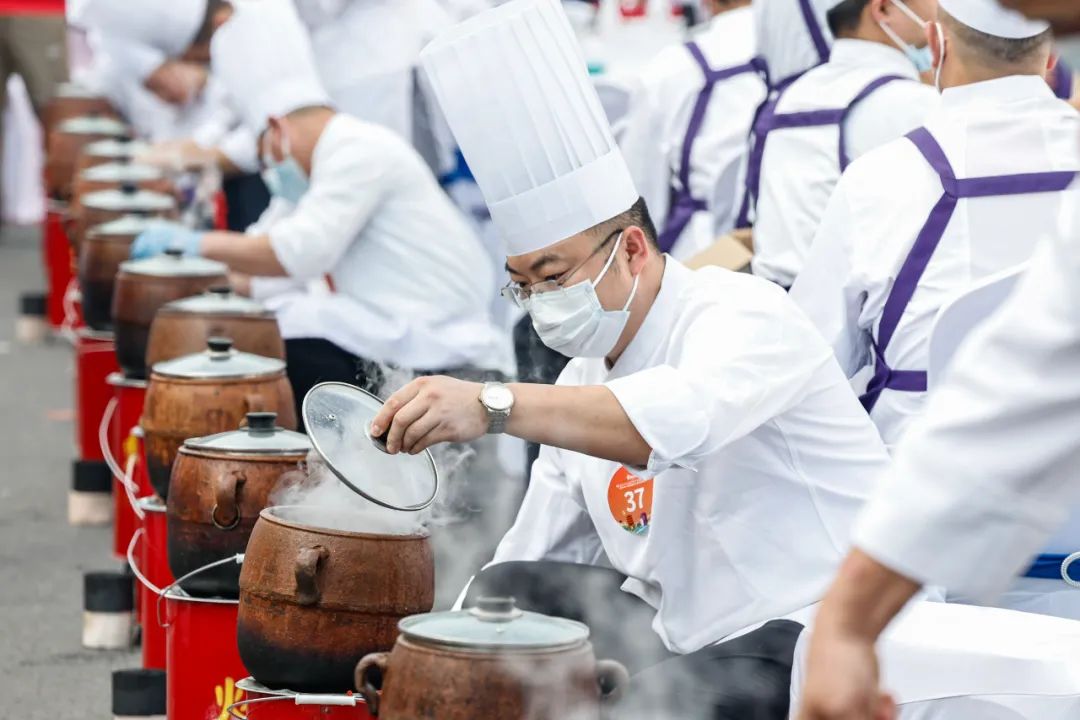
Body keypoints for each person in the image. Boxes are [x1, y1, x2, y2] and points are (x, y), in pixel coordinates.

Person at [407, 0, 901, 715]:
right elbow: (531, 551)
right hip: (684, 637)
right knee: (505, 594)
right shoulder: (581, 379)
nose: (540, 300)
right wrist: (437, 656)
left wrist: (492, 405)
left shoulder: (743, 313)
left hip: (815, 622)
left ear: (633, 248)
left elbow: (675, 423)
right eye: (522, 285)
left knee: (658, 705)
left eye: (553, 274)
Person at [128, 0, 510, 425]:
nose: (267, 170)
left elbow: (297, 253)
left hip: (439, 338)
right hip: (392, 327)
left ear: (278, 130)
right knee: (282, 311)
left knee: (291, 327)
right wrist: (195, 279)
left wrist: (196, 244)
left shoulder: (358, 150)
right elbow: (267, 260)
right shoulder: (308, 171)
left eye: (262, 153)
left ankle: (327, 446)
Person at [791, 0, 1077, 455]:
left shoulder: (877, 179)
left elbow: (813, 360)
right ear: (1052, 56)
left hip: (916, 464)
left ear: (937, 46)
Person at [750, 0, 940, 290]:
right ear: (883, 10)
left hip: (777, 300)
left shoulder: (789, 98)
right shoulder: (914, 104)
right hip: (854, 307)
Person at [618, 0, 766, 261]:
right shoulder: (805, 55)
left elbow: (637, 194)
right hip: (785, 240)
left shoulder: (671, 68)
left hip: (700, 251)